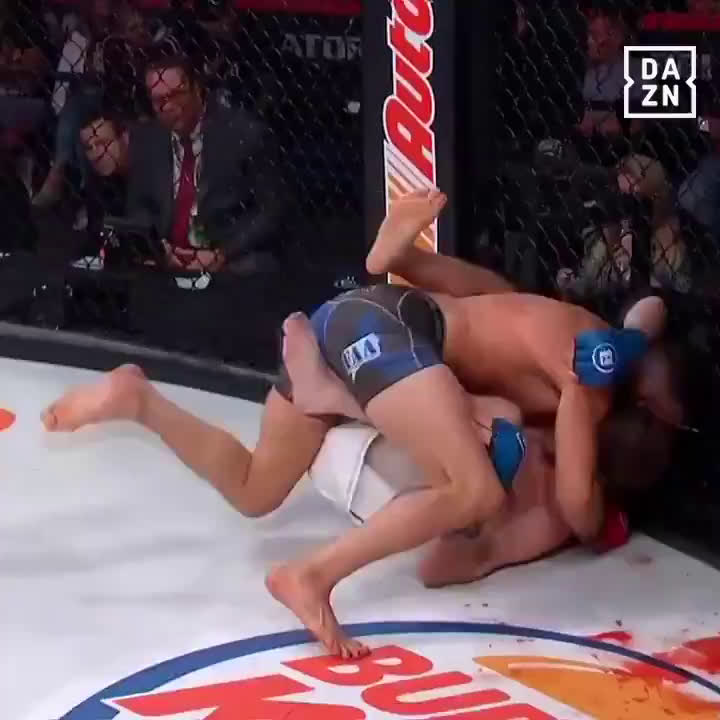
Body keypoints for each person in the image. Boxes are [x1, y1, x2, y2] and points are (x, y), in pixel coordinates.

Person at [40, 191, 684, 659]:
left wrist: (627, 346)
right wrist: (602, 519)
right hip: (390, 333)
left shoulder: (582, 334)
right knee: (475, 489)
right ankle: (312, 574)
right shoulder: (589, 381)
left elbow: (649, 311)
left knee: (255, 490)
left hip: (364, 325)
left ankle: (140, 400)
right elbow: (575, 501)